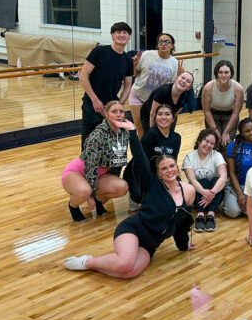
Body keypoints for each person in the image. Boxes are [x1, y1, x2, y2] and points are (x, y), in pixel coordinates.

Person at [64, 130, 196, 278]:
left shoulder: (189, 191)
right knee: (124, 265)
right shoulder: (151, 184)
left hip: (150, 244)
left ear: (177, 168)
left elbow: (183, 222)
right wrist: (133, 134)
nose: (169, 170)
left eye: (172, 166)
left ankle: (105, 264)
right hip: (133, 229)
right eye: (164, 168)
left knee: (129, 273)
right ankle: (86, 262)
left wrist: (183, 244)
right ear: (159, 173)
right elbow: (140, 160)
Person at [61, 100, 129, 222]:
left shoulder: (124, 133)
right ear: (106, 114)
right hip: (77, 172)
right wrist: (90, 197)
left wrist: (103, 193)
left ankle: (97, 200)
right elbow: (90, 166)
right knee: (84, 192)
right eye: (114, 111)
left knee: (121, 187)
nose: (119, 115)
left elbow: (119, 162)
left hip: (100, 175)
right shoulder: (97, 135)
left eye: (121, 111)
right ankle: (73, 206)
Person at [78, 22, 134, 147]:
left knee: (109, 144)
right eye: (118, 32)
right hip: (91, 105)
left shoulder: (128, 60)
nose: (121, 35)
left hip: (111, 109)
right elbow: (83, 76)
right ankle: (88, 167)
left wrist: (119, 104)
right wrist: (94, 99)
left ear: (129, 37)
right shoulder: (99, 52)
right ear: (112, 35)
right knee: (89, 143)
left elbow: (128, 85)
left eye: (125, 32)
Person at [125, 104, 182, 210]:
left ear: (173, 118)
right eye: (160, 114)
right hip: (139, 172)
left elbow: (173, 160)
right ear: (155, 118)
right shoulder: (151, 134)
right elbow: (141, 162)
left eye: (167, 114)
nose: (163, 117)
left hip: (161, 172)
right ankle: (134, 195)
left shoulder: (176, 138)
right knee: (143, 197)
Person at [129, 32, 182, 136]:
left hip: (156, 100)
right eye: (161, 41)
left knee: (154, 130)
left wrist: (179, 78)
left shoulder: (174, 63)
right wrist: (134, 65)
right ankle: (143, 152)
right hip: (138, 95)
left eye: (167, 41)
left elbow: (171, 87)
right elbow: (135, 73)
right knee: (141, 129)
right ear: (158, 45)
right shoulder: (147, 55)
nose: (164, 44)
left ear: (172, 45)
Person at [182, 128, 227, 232]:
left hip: (214, 197)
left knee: (217, 180)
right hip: (198, 197)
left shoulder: (217, 155)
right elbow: (192, 180)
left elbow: (224, 177)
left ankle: (211, 215)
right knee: (202, 180)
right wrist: (204, 192)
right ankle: (200, 216)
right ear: (199, 141)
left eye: (212, 143)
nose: (209, 145)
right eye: (206, 141)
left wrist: (211, 194)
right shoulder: (189, 157)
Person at [223, 118, 252, 218]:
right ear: (242, 134)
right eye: (247, 131)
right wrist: (240, 195)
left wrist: (249, 196)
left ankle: (243, 205)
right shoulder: (233, 147)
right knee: (233, 212)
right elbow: (231, 172)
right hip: (236, 186)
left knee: (251, 213)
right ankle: (227, 200)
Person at [201, 60, 244, 152]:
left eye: (226, 72)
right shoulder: (208, 87)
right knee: (214, 143)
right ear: (216, 73)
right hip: (213, 115)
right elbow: (207, 112)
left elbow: (235, 114)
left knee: (226, 144)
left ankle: (225, 166)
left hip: (230, 116)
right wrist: (216, 132)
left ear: (231, 74)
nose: (223, 75)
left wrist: (226, 132)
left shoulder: (238, 88)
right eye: (220, 72)